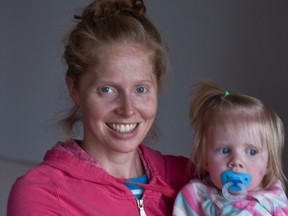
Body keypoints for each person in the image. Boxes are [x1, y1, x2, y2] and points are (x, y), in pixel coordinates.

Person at [7, 0, 194, 215]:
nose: (127, 109)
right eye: (107, 90)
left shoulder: (189, 180)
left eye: (141, 90)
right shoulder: (42, 194)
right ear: (75, 89)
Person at [173, 80, 288, 215]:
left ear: (269, 162)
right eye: (225, 150)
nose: (236, 161)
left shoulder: (276, 200)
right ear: (204, 159)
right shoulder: (196, 197)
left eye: (252, 152)